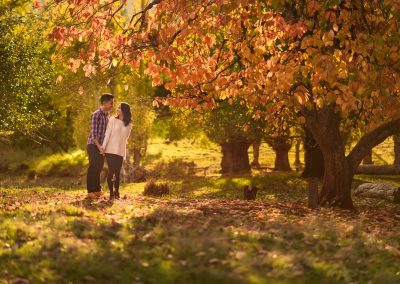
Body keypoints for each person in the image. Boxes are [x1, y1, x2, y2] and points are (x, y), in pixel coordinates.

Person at [101, 102, 132, 200]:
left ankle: (117, 192)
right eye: (117, 107)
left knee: (117, 173)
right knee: (111, 171)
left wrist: (124, 152)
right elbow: (107, 134)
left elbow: (126, 138)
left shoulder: (129, 124)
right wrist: (103, 147)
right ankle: (111, 193)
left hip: (120, 151)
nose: (117, 109)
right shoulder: (112, 120)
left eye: (119, 108)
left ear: (124, 110)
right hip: (110, 150)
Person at [86, 93, 114, 199]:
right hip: (93, 145)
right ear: (104, 103)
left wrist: (105, 148)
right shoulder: (96, 114)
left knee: (99, 167)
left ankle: (97, 190)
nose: (112, 105)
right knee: (93, 167)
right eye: (111, 103)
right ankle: (90, 191)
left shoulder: (108, 117)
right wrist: (100, 147)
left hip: (102, 147)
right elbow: (94, 134)